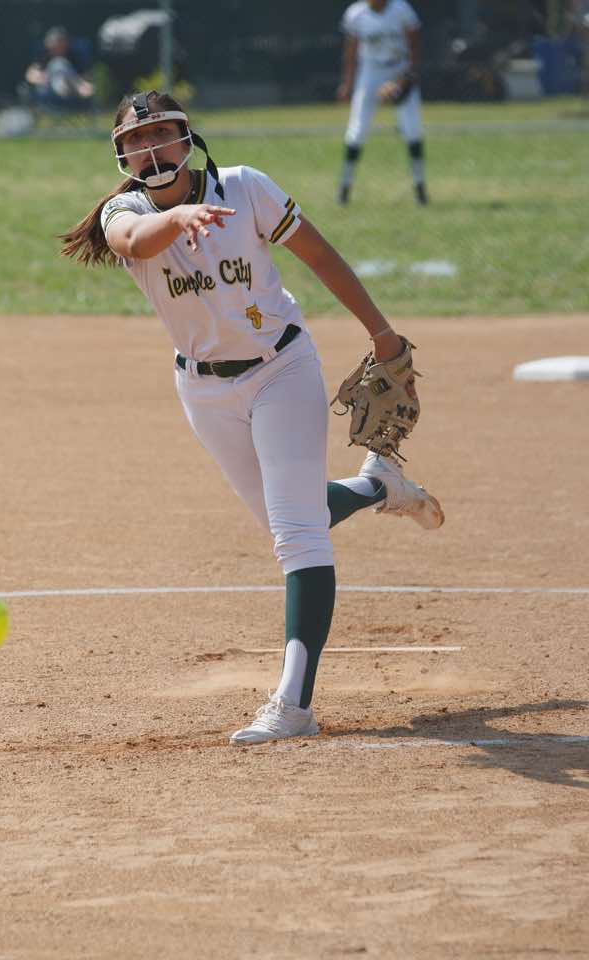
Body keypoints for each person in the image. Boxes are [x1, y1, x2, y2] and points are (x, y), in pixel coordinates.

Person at [60, 90, 444, 745]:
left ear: (187, 138)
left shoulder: (245, 188)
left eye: (161, 133)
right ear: (122, 154)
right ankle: (379, 486)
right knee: (291, 518)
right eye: (136, 140)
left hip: (281, 370)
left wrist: (381, 333)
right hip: (203, 391)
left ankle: (294, 705)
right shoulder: (124, 212)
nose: (151, 148)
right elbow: (132, 240)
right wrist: (179, 218)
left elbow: (320, 256)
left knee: (298, 536)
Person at [336, 0, 428, 206]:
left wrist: (408, 75)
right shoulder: (356, 13)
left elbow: (414, 43)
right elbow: (351, 51)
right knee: (357, 129)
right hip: (370, 71)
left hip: (398, 68)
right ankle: (344, 187)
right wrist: (347, 84)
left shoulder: (401, 9)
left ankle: (420, 188)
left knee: (413, 129)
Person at [22, 26, 95, 110]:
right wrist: (44, 78)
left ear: (66, 43)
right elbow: (30, 75)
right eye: (51, 42)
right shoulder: (44, 55)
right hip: (49, 87)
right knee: (58, 64)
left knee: (60, 64)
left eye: (59, 42)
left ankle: (66, 92)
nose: (54, 46)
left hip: (72, 87)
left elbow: (85, 76)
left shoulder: (75, 54)